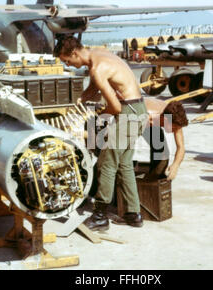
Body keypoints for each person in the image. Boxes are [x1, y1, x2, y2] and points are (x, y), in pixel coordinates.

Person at [54, 36, 148, 231]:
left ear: (74, 53)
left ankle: (100, 216)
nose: (68, 65)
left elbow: (114, 107)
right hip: (139, 110)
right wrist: (79, 100)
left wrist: (95, 117)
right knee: (124, 164)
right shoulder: (98, 55)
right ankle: (133, 214)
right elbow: (94, 88)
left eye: (67, 61)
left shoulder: (97, 69)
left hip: (127, 113)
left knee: (106, 163)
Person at [143, 99, 188, 181]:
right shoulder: (147, 117)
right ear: (167, 121)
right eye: (174, 128)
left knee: (162, 154)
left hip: (155, 121)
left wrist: (175, 165)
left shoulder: (175, 117)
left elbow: (181, 147)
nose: (175, 131)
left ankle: (151, 182)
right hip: (131, 118)